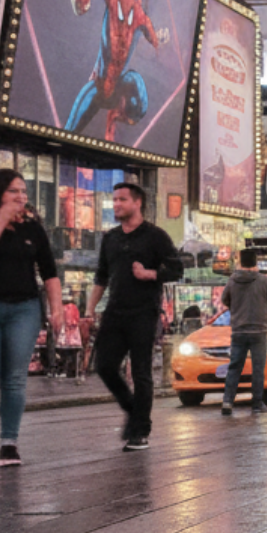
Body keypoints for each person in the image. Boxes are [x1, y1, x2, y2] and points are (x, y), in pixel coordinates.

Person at [87, 181, 182, 451]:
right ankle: (132, 409)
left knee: (141, 372)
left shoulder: (155, 236)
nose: (116, 204)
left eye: (122, 200)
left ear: (137, 203)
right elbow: (101, 277)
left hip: (143, 311)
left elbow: (176, 270)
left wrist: (149, 274)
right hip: (114, 312)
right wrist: (88, 310)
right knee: (103, 366)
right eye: (114, 200)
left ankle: (140, 431)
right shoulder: (111, 238)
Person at [0, 171, 63, 466]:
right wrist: (1, 220)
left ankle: (8, 443)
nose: (21, 197)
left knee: (14, 378)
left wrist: (57, 310)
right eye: (14, 191)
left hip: (24, 309)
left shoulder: (33, 229)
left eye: (24, 192)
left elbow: (50, 273)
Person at [218, 248, 267, 416]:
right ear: (255, 263)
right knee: (258, 368)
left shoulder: (232, 281)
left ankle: (227, 401)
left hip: (239, 330)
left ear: (241, 263)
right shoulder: (264, 281)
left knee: (234, 367)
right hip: (259, 330)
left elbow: (225, 300)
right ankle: (257, 403)